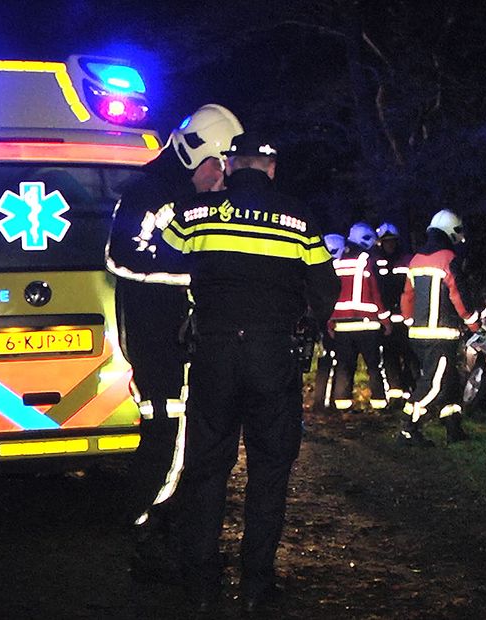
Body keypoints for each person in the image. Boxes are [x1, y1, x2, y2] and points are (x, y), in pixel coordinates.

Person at [157, 131, 339, 614]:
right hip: (271, 356)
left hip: (213, 355)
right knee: (269, 471)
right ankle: (256, 582)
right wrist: (304, 318)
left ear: (230, 166)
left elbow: (161, 247)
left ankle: (199, 579)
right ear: (272, 169)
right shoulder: (299, 219)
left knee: (206, 467)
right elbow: (325, 288)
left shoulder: (196, 214)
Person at [104, 103, 243, 579]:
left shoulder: (182, 194)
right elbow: (122, 256)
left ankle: (166, 533)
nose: (221, 178)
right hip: (159, 341)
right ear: (195, 154)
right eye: (218, 166)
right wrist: (198, 270)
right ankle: (149, 529)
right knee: (167, 440)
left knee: (181, 442)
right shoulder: (148, 193)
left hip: (180, 342)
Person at [398, 209, 479, 445]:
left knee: (450, 383)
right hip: (441, 335)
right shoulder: (448, 259)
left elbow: (407, 296)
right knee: (434, 383)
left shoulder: (416, 260)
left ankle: (453, 428)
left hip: (419, 335)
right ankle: (408, 428)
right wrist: (473, 322)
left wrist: (409, 321)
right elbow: (458, 294)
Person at [326, 222, 392, 412]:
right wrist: (385, 320)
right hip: (367, 324)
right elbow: (375, 293)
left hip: (342, 326)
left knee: (344, 367)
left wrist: (330, 321)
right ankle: (379, 403)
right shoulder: (366, 260)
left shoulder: (337, 261)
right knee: (373, 366)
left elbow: (330, 295)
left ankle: (342, 405)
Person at [374, 221, 416, 408]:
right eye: (386, 242)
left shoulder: (407, 261)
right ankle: (395, 395)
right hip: (386, 319)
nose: (390, 245)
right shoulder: (375, 262)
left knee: (410, 356)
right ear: (380, 243)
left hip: (405, 318)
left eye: (392, 242)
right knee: (389, 358)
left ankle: (410, 391)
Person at [310, 233, 346, 413]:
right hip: (330, 323)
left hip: (323, 322)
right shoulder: (334, 271)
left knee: (327, 362)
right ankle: (322, 402)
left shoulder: (319, 269)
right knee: (330, 362)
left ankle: (323, 400)